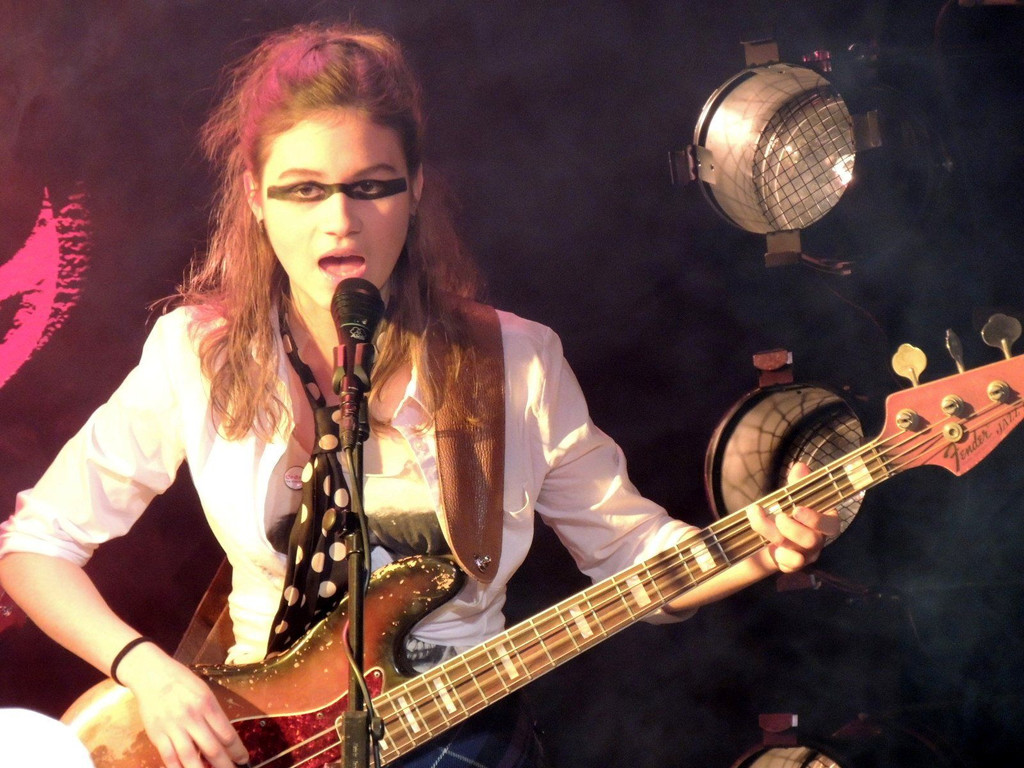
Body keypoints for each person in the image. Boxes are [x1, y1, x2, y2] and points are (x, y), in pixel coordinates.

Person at [0, 21, 838, 768]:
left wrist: (760, 550)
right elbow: (35, 547)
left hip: (458, 734)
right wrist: (146, 669)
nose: (340, 220)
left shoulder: (516, 361)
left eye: (371, 186)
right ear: (254, 196)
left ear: (416, 189)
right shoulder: (197, 353)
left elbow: (632, 555)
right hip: (258, 743)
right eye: (304, 189)